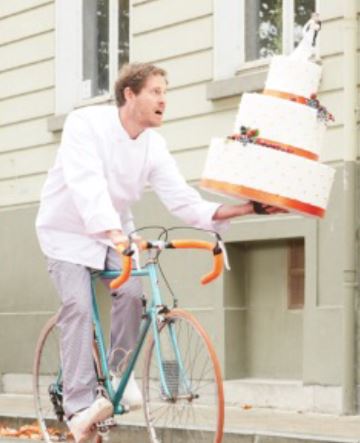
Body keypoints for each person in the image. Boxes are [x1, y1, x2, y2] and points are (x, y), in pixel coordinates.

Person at [36, 62, 280, 442]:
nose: (163, 100)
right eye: (155, 91)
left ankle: (117, 374)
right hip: (66, 231)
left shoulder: (153, 145)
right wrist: (117, 232)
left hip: (110, 233)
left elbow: (181, 199)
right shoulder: (85, 124)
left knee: (133, 291)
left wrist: (245, 208)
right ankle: (79, 407)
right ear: (129, 94)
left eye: (166, 93)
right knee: (79, 308)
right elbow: (87, 184)